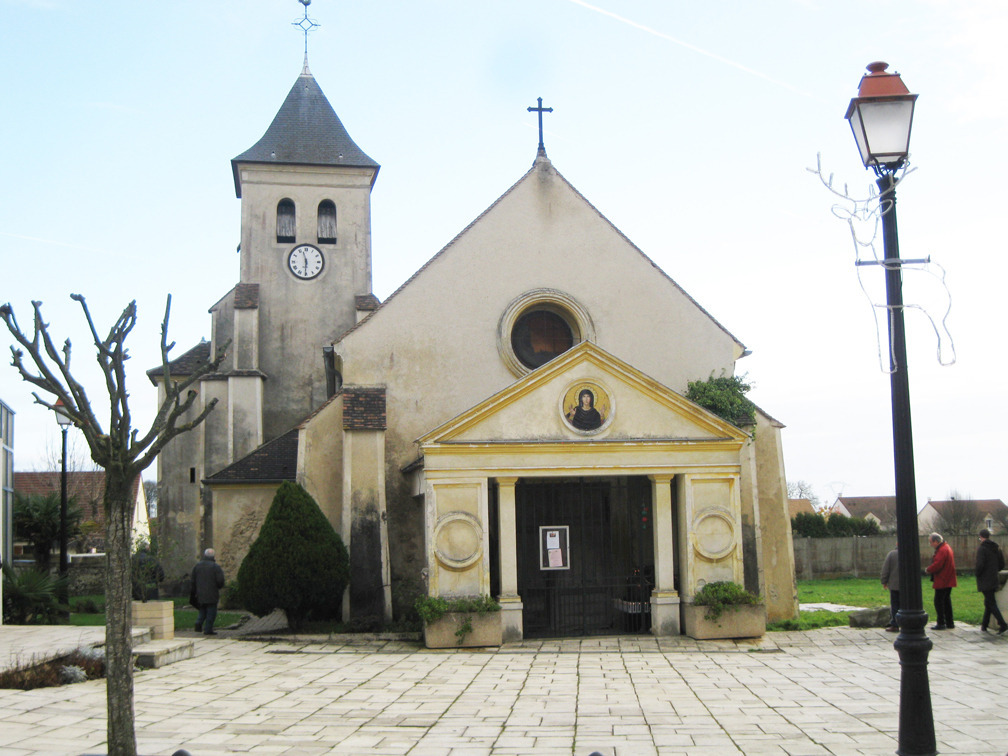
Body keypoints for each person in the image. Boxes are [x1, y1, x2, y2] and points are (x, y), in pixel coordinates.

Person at [975, 528, 1007, 634]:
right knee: (988, 601)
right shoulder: (996, 547)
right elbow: (1002, 564)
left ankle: (1003, 624)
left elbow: (980, 565)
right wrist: (994, 570)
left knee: (991, 603)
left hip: (985, 579)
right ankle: (984, 625)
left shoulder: (982, 549)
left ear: (981, 537)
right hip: (994, 578)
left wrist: (978, 574)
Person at [924, 532, 956, 630]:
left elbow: (938, 564)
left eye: (931, 542)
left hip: (943, 579)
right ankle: (949, 622)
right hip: (948, 579)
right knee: (946, 601)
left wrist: (928, 569)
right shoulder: (947, 547)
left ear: (936, 541)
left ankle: (941, 622)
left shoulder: (942, 550)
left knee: (939, 601)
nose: (930, 545)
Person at [191, 547, 226, 636]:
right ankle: (208, 629)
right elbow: (220, 580)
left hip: (200, 593)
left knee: (202, 610)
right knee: (211, 612)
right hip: (212, 592)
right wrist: (219, 586)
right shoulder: (215, 567)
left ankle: (198, 622)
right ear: (213, 556)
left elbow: (193, 580)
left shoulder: (197, 566)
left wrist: (195, 590)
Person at [880, 547, 899, 632]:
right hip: (908, 586)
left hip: (895, 584)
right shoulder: (910, 554)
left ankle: (895, 624)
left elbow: (886, 569)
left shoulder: (892, 554)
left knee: (895, 605)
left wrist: (884, 581)